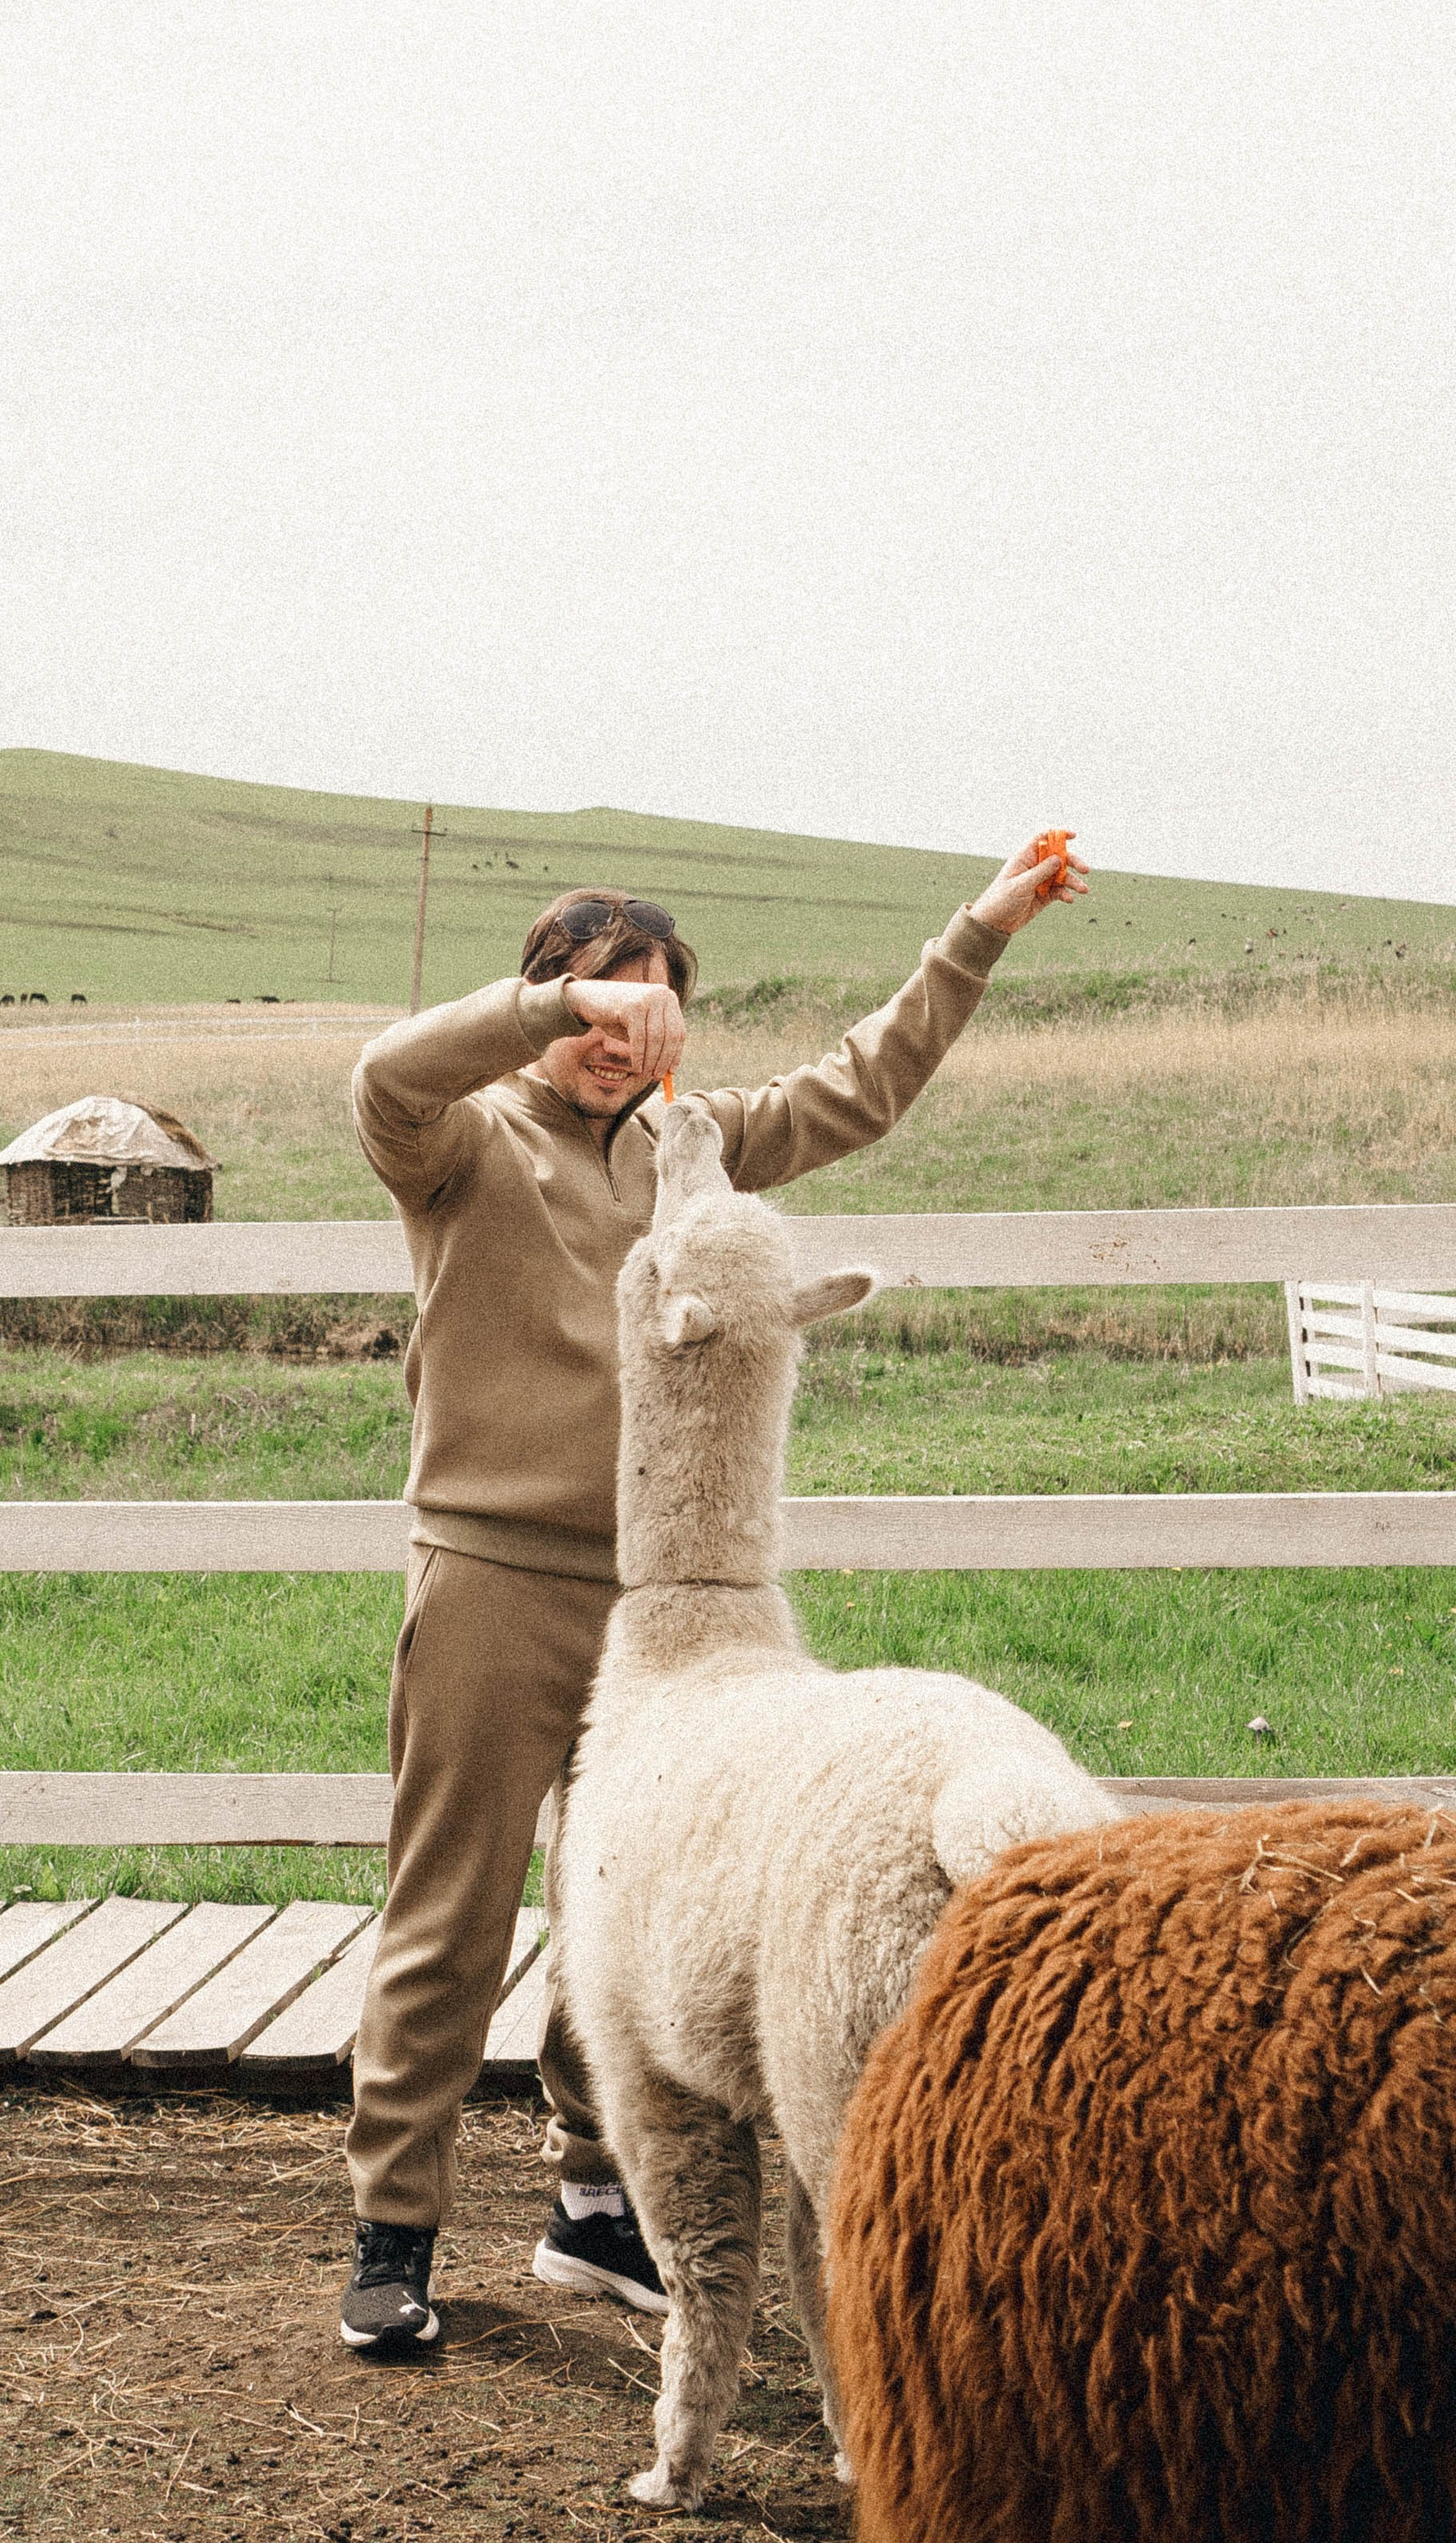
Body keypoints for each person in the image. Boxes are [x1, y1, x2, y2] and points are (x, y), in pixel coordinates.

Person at [336, 835, 1089, 2352]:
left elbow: (862, 1087)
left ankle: (596, 2205)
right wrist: (541, 1014)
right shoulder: (466, 1140)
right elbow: (384, 1076)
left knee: (618, 1899)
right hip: (494, 1575)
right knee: (456, 1908)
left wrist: (980, 929)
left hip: (664, 1605)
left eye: (651, 1011)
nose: (620, 1042)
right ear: (549, 1001)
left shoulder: (700, 1146)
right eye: (596, 1010)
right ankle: (393, 2232)